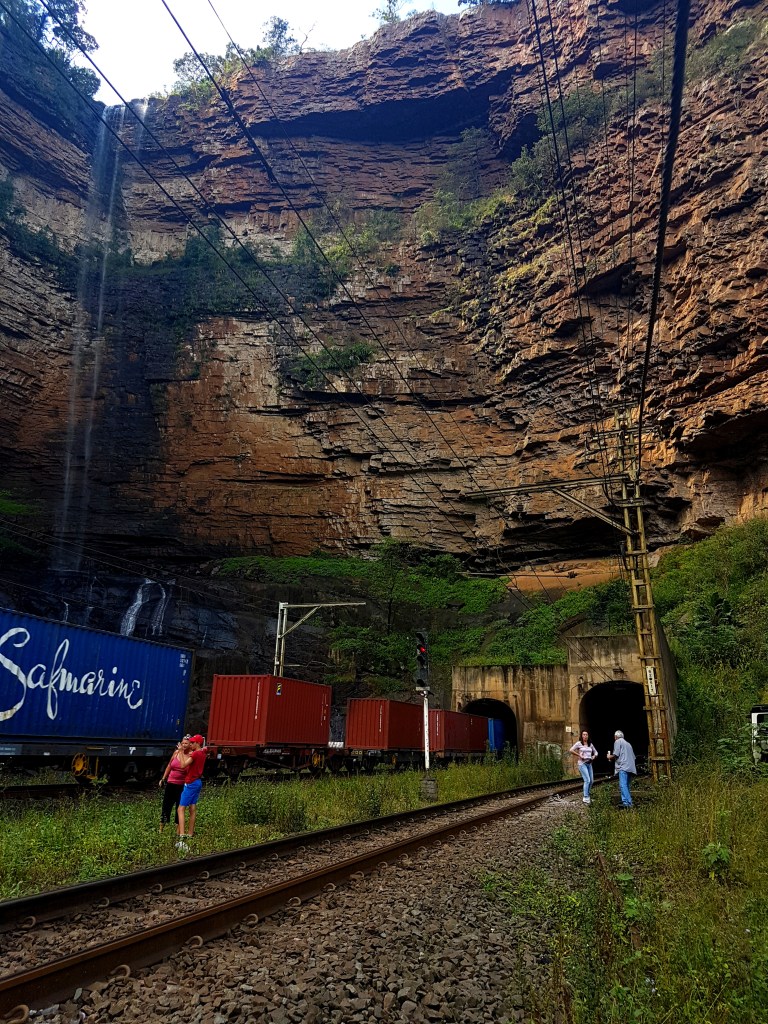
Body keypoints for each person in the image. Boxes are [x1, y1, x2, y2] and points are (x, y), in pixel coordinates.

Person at [176, 734, 207, 840]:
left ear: (198, 743)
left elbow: (183, 765)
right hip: (198, 782)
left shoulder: (195, 754)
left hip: (191, 782)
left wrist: (180, 751)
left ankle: (181, 835)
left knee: (181, 809)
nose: (191, 744)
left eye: (193, 743)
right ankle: (190, 833)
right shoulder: (202, 753)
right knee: (192, 808)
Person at [158, 735, 190, 831]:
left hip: (181, 786)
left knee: (179, 808)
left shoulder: (191, 756)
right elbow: (169, 765)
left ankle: (178, 830)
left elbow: (185, 768)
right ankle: (161, 829)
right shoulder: (176, 753)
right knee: (166, 806)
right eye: (183, 743)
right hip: (171, 783)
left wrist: (181, 752)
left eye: (186, 743)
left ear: (190, 745)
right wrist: (163, 778)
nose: (184, 745)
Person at [607, 729, 636, 808]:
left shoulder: (617, 741)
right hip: (630, 767)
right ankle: (625, 802)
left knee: (623, 785)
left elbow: (616, 754)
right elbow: (633, 757)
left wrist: (609, 756)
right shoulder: (628, 744)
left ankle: (628, 803)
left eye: (614, 737)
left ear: (616, 736)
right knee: (626, 785)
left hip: (623, 767)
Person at [569, 729, 598, 805]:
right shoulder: (579, 743)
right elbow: (571, 750)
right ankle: (585, 798)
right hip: (582, 764)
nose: (585, 736)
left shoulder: (590, 744)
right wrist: (579, 755)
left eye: (586, 734)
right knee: (587, 780)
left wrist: (594, 756)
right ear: (581, 736)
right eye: (584, 734)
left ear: (588, 736)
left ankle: (588, 795)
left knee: (591, 781)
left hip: (589, 763)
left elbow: (596, 752)